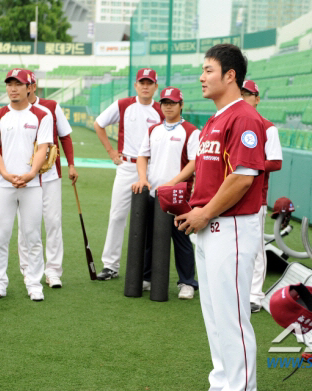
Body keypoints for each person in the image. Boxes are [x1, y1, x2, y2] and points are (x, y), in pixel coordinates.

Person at [175, 44, 267, 391]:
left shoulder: (243, 116)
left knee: (231, 319)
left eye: (209, 70)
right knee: (214, 317)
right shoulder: (216, 118)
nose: (202, 77)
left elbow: (243, 177)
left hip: (232, 228)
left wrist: (205, 212)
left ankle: (241, 387)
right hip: (210, 228)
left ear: (230, 76)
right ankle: (223, 383)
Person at [0, 68, 53, 301]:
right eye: (9, 84)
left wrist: (32, 173)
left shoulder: (42, 115)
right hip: (4, 185)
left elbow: (43, 148)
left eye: (18, 84)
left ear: (29, 87)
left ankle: (34, 284)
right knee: (1, 236)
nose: (13, 88)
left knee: (32, 236)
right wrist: (6, 174)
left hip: (32, 186)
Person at [94, 68, 164, 280]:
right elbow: (99, 123)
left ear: (155, 86)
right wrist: (110, 152)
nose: (145, 86)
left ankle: (149, 269)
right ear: (135, 85)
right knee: (117, 215)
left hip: (152, 169)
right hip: (127, 166)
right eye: (141, 82)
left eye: (149, 83)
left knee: (154, 219)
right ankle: (110, 266)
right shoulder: (123, 105)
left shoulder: (162, 110)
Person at [131, 86, 199, 299]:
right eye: (165, 103)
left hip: (178, 195)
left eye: (173, 103)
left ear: (181, 105)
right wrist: (143, 178)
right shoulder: (154, 130)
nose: (168, 107)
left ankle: (187, 282)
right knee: (151, 237)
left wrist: (172, 183)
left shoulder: (191, 131)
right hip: (153, 194)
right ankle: (148, 278)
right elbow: (142, 156)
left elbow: (194, 162)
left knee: (181, 239)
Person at [16, 70, 78, 289]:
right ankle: (27, 268)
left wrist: (71, 164)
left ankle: (53, 270)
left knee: (53, 222)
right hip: (24, 176)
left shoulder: (51, 106)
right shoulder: (14, 110)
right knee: (25, 225)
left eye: (28, 84)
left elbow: (65, 136)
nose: (26, 87)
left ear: (33, 87)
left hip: (50, 175)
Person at [240, 80, 283, 313]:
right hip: (231, 195)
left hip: (256, 195)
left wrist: (248, 165)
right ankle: (238, 292)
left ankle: (255, 294)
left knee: (255, 247)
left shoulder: (268, 127)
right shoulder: (234, 123)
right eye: (242, 94)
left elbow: (276, 162)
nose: (245, 98)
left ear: (257, 99)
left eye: (249, 94)